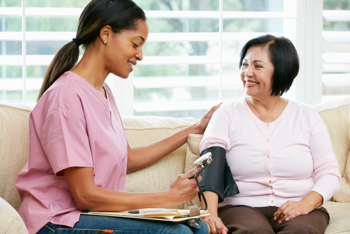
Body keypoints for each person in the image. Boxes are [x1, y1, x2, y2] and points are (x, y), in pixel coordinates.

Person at [15, 1, 216, 233]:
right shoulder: (66, 97)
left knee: (198, 228)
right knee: (176, 232)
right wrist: (168, 198)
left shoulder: (104, 92)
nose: (140, 55)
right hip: (56, 220)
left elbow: (127, 159)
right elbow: (85, 196)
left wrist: (192, 131)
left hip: (90, 215)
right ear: (106, 34)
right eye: (135, 43)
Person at [199, 34, 341, 234]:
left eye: (257, 66)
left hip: (301, 207)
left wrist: (305, 204)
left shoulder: (306, 115)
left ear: (281, 70)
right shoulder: (226, 113)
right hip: (240, 208)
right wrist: (210, 214)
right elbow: (210, 165)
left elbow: (330, 173)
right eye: (245, 64)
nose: (247, 73)